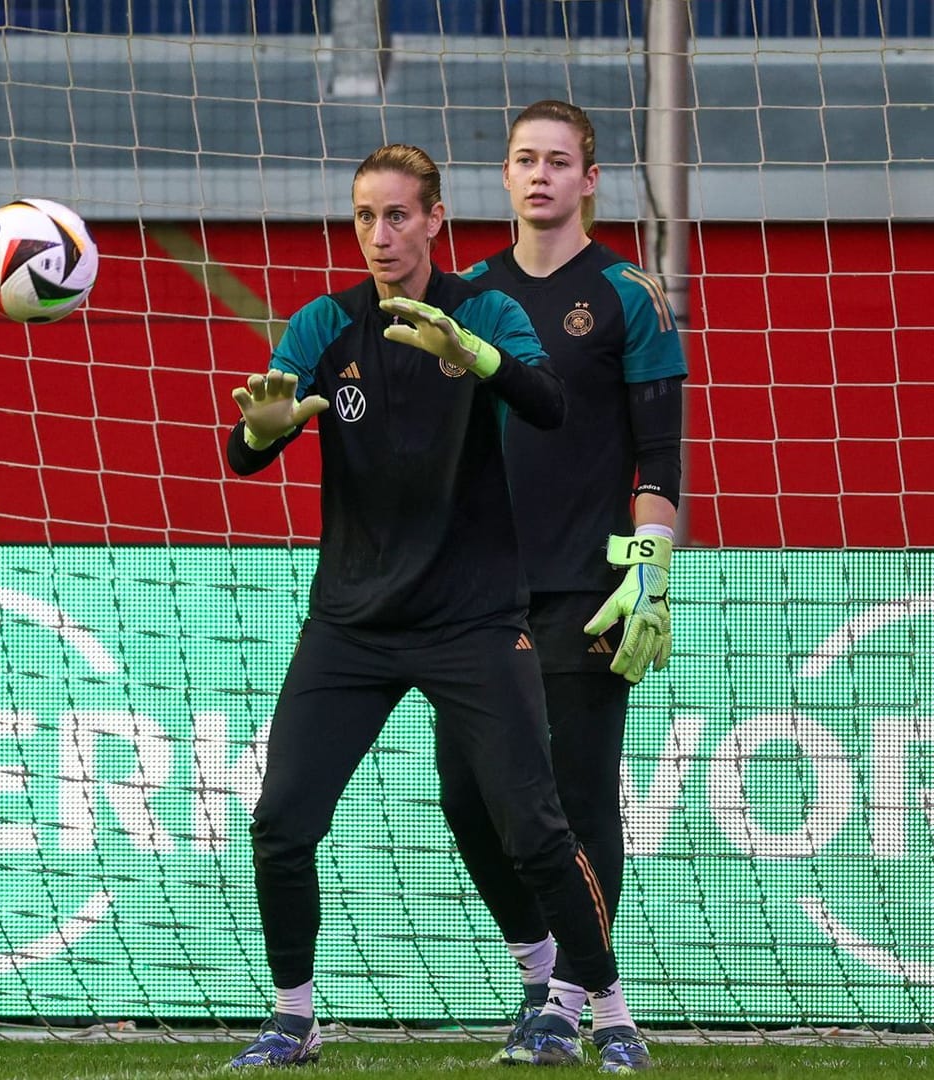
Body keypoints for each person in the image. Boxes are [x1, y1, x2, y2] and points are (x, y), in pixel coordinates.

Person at [224, 144, 638, 1070]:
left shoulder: (485, 310)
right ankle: (294, 1017)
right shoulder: (325, 323)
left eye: (400, 215)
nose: (381, 234)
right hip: (352, 623)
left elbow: (548, 405)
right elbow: (248, 448)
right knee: (282, 819)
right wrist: (262, 427)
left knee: (534, 826)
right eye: (366, 216)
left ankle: (605, 1012)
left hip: (475, 619)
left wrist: (474, 354)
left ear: (437, 220)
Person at [436, 100, 686, 1073]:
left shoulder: (629, 296)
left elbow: (660, 464)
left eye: (558, 162)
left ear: (590, 180)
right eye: (522, 160)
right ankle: (543, 968)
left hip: (588, 587)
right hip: (473, 599)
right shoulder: (468, 299)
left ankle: (573, 1004)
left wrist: (652, 573)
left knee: (579, 803)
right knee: (467, 797)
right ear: (503, 178)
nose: (539, 175)